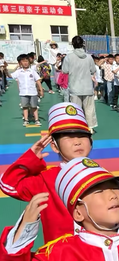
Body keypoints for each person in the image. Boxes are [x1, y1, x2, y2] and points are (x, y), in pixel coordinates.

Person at [0, 103, 94, 243]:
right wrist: (30, 159)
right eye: (68, 137)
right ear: (54, 147)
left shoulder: (102, 177)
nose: (77, 142)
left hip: (99, 258)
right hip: (60, 259)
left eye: (82, 136)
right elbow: (9, 184)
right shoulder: (47, 179)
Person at [61, 35, 97, 132]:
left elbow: (64, 70)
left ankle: (77, 125)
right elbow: (93, 69)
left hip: (75, 87)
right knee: (89, 108)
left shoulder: (69, 57)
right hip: (87, 87)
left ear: (73, 44)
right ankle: (90, 127)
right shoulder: (89, 57)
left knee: (76, 109)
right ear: (82, 44)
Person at [11, 54, 43, 127]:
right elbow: (10, 76)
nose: (25, 63)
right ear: (20, 63)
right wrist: (6, 70)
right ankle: (26, 120)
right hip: (23, 93)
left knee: (34, 107)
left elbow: (38, 81)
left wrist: (41, 90)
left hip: (33, 92)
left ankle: (36, 120)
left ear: (29, 62)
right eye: (23, 61)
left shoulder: (32, 71)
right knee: (25, 107)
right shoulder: (19, 72)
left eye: (27, 61)